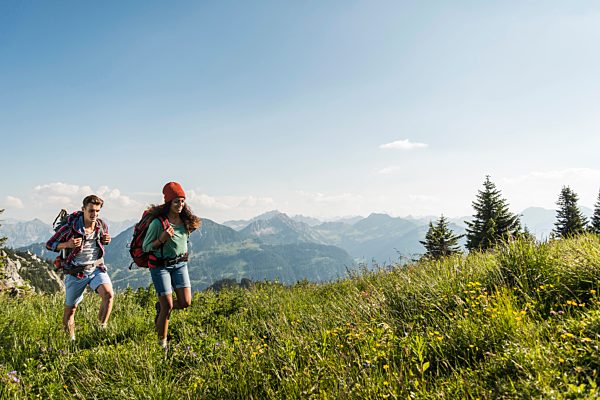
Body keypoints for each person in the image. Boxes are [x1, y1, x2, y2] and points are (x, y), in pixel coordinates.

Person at [46, 195, 113, 341]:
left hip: (96, 268)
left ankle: (100, 331)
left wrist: (106, 240)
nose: (94, 214)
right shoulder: (70, 228)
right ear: (83, 209)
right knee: (71, 311)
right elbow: (49, 244)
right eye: (91, 210)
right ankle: (71, 342)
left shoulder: (101, 225)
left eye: (97, 211)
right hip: (76, 272)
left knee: (108, 295)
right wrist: (67, 245)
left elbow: (102, 241)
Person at [142, 182, 201, 349]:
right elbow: (146, 247)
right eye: (176, 201)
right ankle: (162, 346)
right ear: (168, 202)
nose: (180, 205)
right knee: (167, 306)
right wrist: (162, 239)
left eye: (182, 201)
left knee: (185, 302)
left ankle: (160, 307)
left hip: (180, 265)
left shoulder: (185, 221)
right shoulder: (157, 223)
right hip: (160, 267)